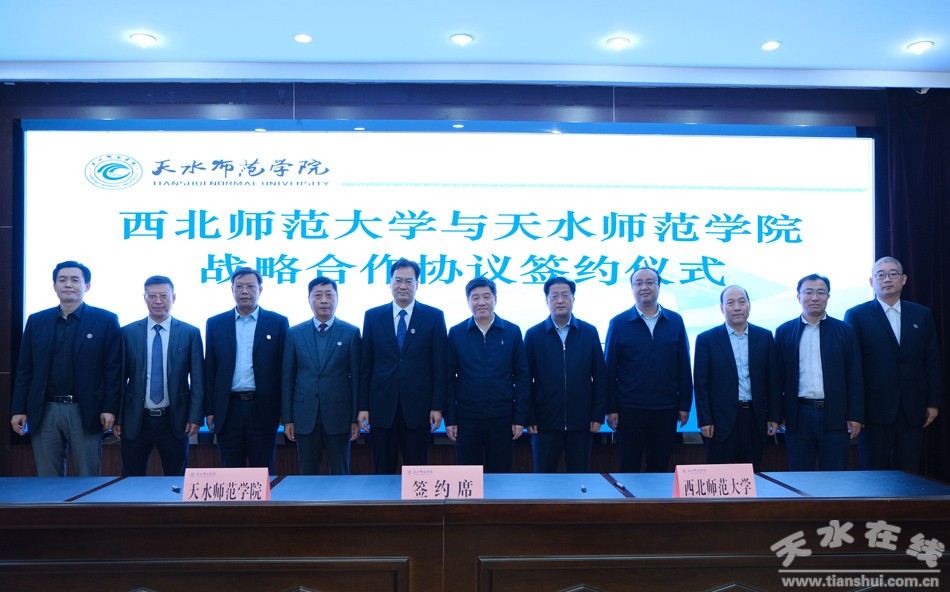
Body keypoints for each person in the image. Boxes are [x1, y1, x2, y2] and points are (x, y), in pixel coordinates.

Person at [11, 260, 122, 476]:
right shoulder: (37, 321)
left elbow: (113, 369)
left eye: (75, 280)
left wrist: (110, 408)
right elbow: (25, 370)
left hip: (85, 410)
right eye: (62, 280)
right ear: (54, 285)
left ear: (87, 286)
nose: (68, 284)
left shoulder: (105, 320)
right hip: (45, 410)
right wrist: (18, 409)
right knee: (48, 479)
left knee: (87, 476)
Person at [844, 257, 942, 472]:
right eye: (881, 275)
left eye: (893, 274)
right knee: (873, 472)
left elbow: (932, 361)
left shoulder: (922, 314)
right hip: (874, 410)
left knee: (908, 473)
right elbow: (853, 367)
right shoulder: (856, 315)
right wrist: (855, 411)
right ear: (872, 281)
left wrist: (933, 402)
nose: (887, 279)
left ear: (903, 279)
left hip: (913, 408)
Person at [359, 258, 447, 474]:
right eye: (398, 280)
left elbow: (440, 367)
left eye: (409, 281)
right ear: (390, 283)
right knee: (382, 471)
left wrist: (437, 406)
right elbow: (366, 367)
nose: (403, 286)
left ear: (417, 284)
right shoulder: (372, 316)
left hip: (418, 409)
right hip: (381, 408)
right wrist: (363, 407)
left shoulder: (434, 317)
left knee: (417, 473)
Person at [604, 268, 692, 473]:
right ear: (632, 288)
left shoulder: (675, 321)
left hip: (666, 408)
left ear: (659, 286)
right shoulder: (619, 323)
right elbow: (609, 370)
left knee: (659, 466)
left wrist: (685, 405)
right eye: (639, 283)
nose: (644, 287)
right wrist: (610, 408)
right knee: (629, 466)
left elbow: (684, 365)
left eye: (650, 282)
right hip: (629, 409)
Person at [115, 276, 204, 476]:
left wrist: (195, 416)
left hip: (174, 419)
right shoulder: (128, 332)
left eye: (163, 296)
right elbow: (118, 379)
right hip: (136, 418)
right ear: (144, 298)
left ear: (173, 297)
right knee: (131, 479)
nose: (158, 301)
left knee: (176, 479)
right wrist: (118, 417)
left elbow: (198, 380)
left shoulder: (190, 333)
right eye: (152, 296)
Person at [775, 273, 864, 471]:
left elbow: (855, 377)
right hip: (798, 414)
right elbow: (777, 378)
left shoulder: (845, 331)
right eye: (808, 292)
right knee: (800, 475)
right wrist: (777, 414)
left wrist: (856, 415)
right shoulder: (784, 331)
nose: (814, 297)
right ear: (798, 297)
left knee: (834, 474)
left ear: (828, 296)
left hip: (835, 414)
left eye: (821, 292)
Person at [205, 267, 288, 473]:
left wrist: (284, 412)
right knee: (231, 473)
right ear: (231, 289)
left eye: (250, 286)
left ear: (260, 290)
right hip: (228, 410)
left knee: (263, 472)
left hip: (263, 409)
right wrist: (210, 410)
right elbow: (210, 371)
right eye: (239, 286)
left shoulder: (278, 322)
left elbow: (284, 371)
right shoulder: (215, 323)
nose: (244, 291)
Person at [693, 285, 782, 472]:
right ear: (721, 308)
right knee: (719, 475)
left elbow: (773, 381)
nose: (737, 307)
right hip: (720, 421)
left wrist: (774, 416)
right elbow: (701, 384)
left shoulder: (764, 337)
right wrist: (705, 420)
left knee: (752, 473)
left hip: (755, 418)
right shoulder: (706, 339)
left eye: (742, 302)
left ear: (749, 305)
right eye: (730, 303)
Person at [445, 277, 530, 473]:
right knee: (468, 477)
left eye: (486, 296)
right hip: (467, 418)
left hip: (502, 417)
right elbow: (448, 379)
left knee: (500, 476)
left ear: (495, 299)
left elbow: (522, 377)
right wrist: (450, 419)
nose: (481, 302)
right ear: (468, 301)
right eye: (475, 298)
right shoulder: (457, 333)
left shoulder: (512, 331)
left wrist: (520, 418)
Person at [524, 277, 607, 473]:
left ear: (573, 299)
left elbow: (600, 377)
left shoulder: (589, 332)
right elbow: (525, 380)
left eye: (565, 295)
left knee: (579, 479)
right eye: (554, 296)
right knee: (543, 478)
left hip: (582, 422)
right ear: (547, 301)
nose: (560, 300)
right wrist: (529, 417)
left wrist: (597, 414)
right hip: (544, 424)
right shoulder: (533, 335)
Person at [282, 277, 361, 475]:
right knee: (307, 474)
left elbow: (356, 380)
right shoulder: (294, 333)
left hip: (339, 415)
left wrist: (354, 419)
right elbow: (287, 379)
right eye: (318, 295)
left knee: (340, 473)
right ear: (309, 299)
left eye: (329, 295)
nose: (324, 300)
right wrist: (287, 419)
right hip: (305, 414)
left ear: (337, 298)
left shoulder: (351, 333)